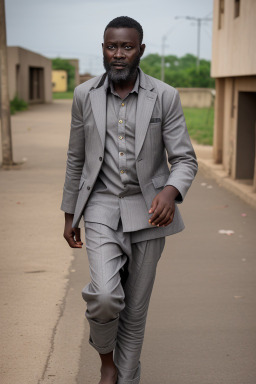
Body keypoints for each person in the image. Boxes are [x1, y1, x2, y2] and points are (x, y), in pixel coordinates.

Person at [62, 16, 197, 384]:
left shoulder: (164, 95)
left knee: (135, 312)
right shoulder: (84, 95)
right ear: (103, 48)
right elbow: (76, 157)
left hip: (150, 212)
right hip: (101, 206)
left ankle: (126, 378)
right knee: (105, 298)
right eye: (111, 46)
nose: (118, 54)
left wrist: (170, 191)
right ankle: (108, 363)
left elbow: (185, 159)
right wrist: (69, 213)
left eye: (126, 47)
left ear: (141, 50)